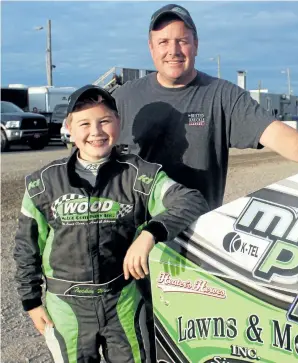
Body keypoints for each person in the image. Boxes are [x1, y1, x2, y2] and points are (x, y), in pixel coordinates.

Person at [111, 4, 298, 361]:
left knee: (187, 339)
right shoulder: (125, 98)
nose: (173, 50)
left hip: (192, 245)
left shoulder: (220, 96)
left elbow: (273, 133)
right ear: (150, 47)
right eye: (163, 42)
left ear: (196, 44)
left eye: (182, 41)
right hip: (131, 244)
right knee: (133, 338)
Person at [13, 84, 209, 363]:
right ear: (68, 127)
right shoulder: (42, 183)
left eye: (105, 121)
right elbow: (26, 248)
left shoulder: (140, 175)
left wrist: (150, 234)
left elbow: (191, 201)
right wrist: (31, 302)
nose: (96, 131)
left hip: (124, 300)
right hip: (66, 308)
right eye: (84, 123)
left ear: (118, 123)